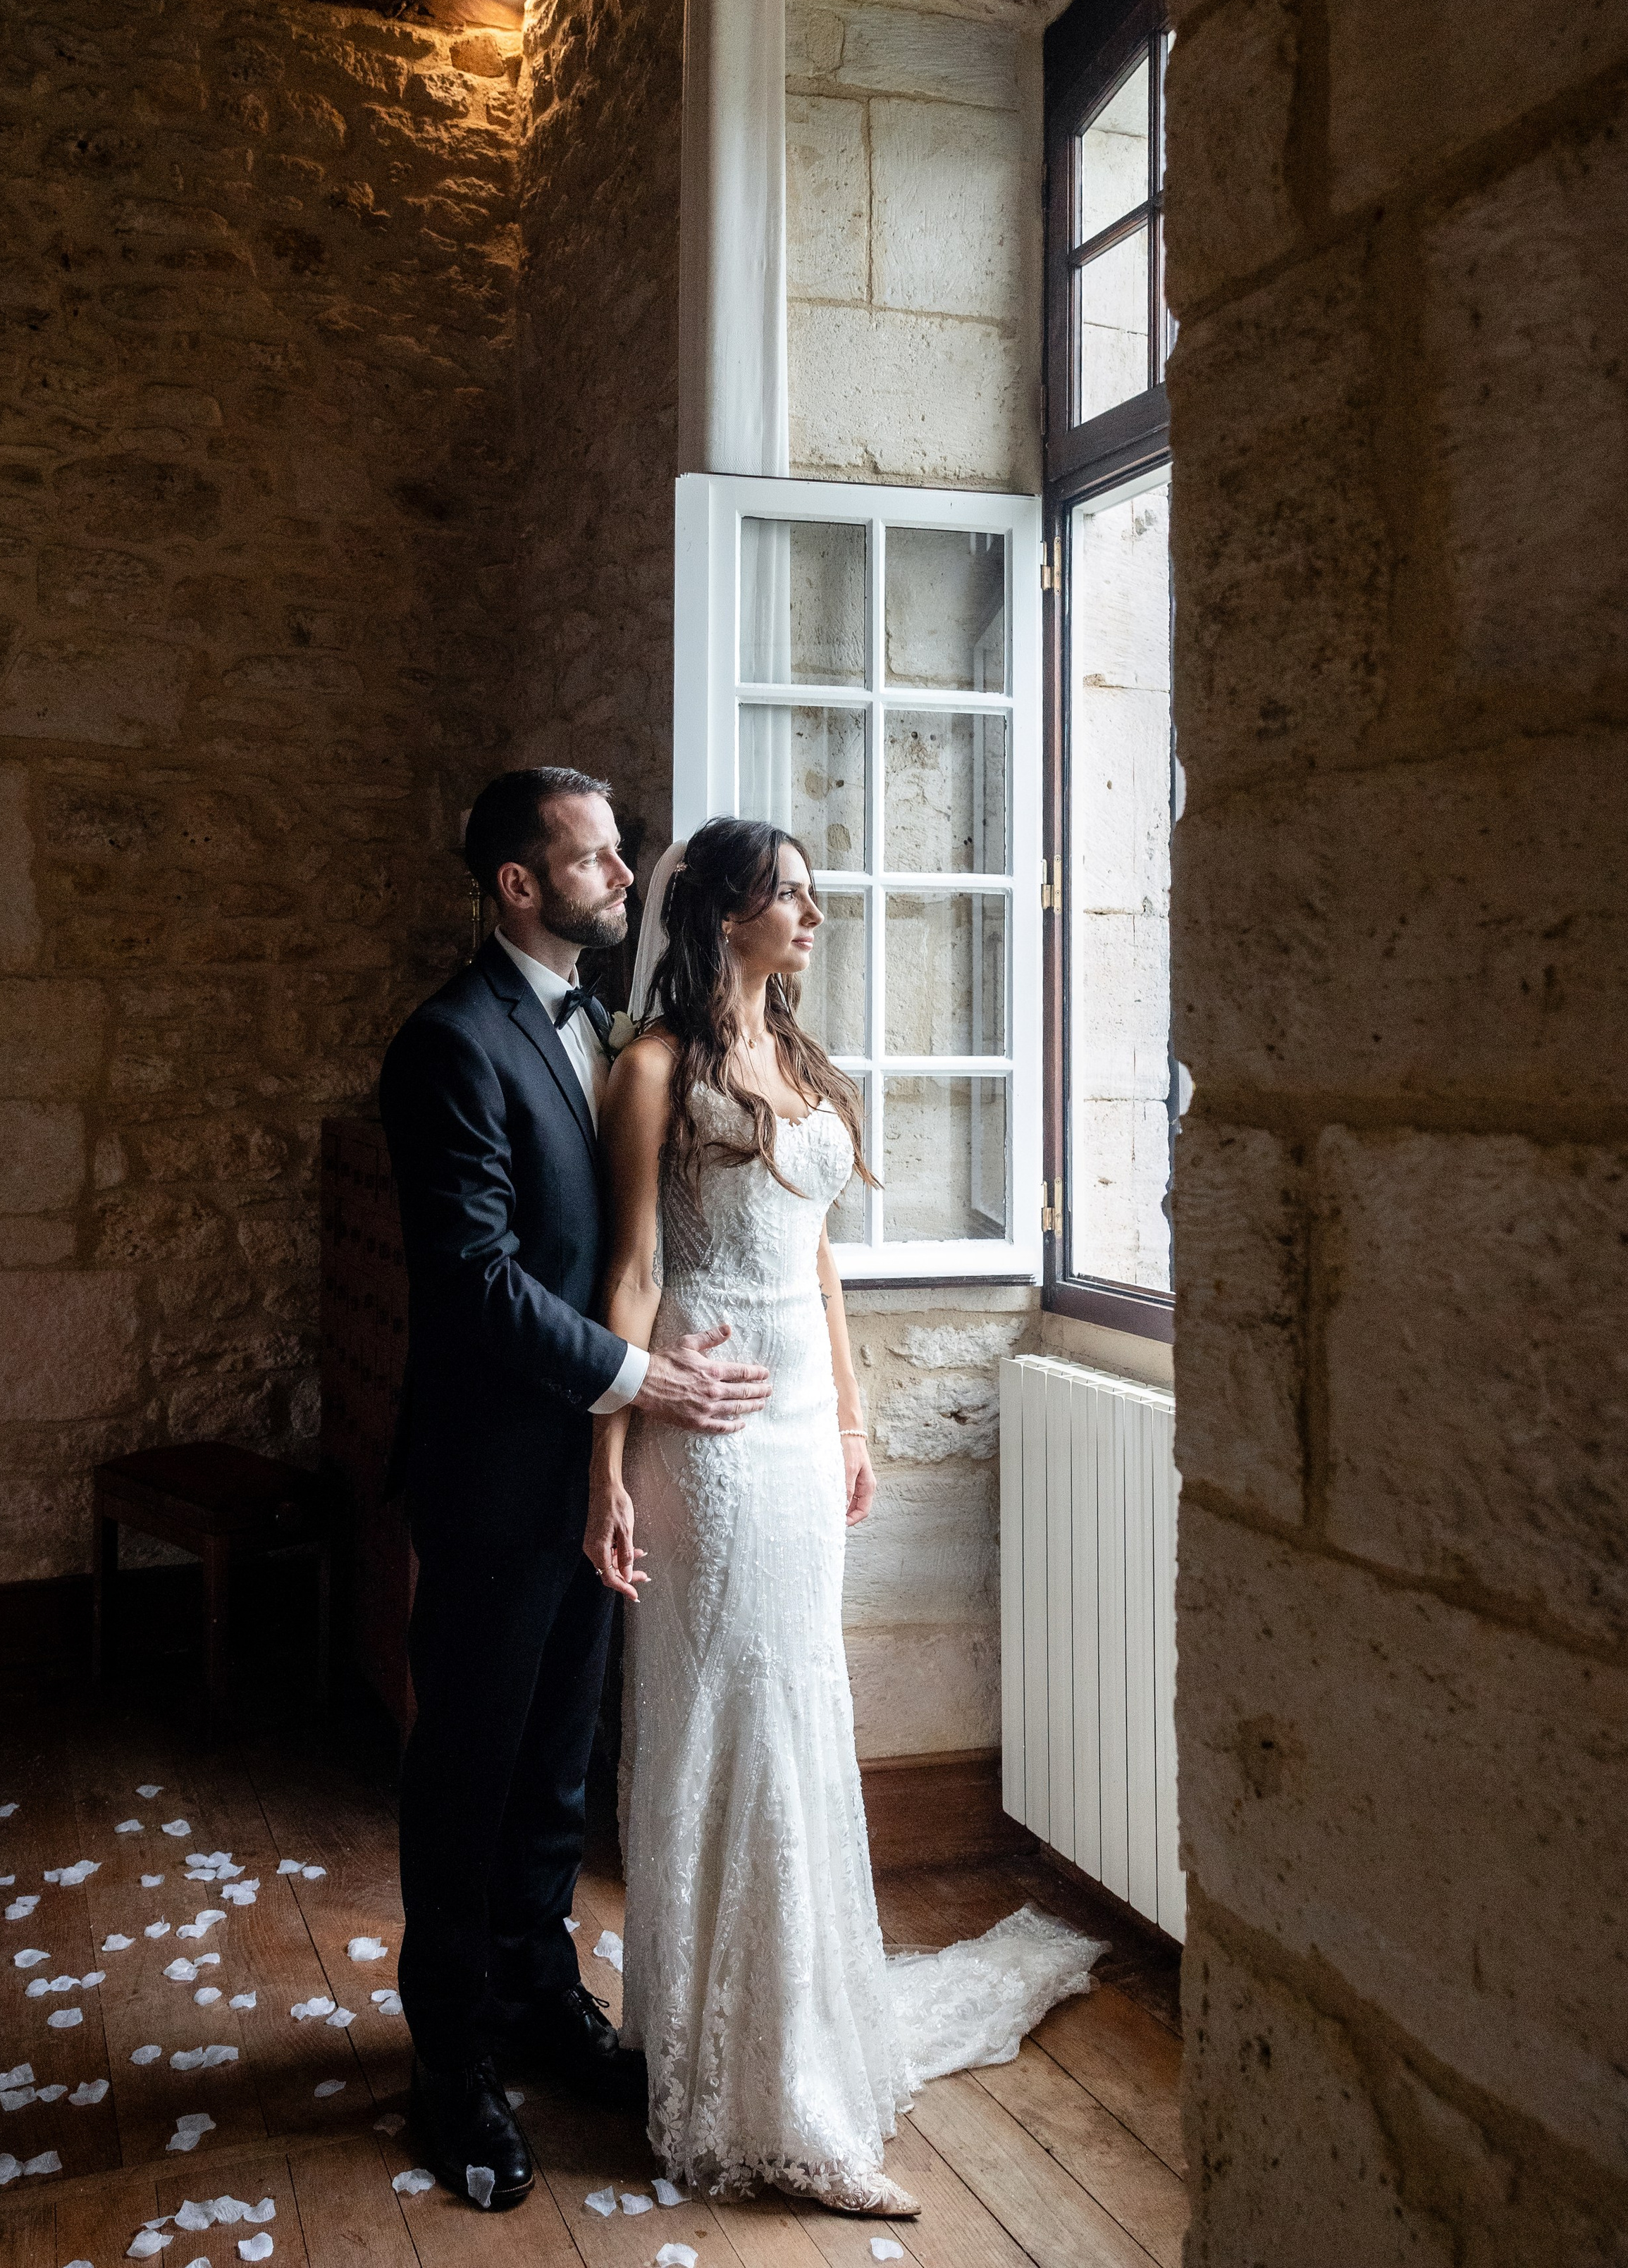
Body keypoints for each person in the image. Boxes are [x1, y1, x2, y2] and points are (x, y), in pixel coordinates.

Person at [588, 817, 1105, 2217]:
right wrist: (607, 1469)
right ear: (723, 913)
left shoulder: (801, 1067)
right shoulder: (645, 1072)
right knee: (728, 1716)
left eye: (813, 891)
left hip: (806, 1428)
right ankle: (748, 2088)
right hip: (705, 1428)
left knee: (800, 1705)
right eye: (791, 893)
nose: (815, 913)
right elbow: (626, 1277)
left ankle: (794, 2035)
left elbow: (818, 1266)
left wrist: (857, 1420)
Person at [378, 769, 773, 2214]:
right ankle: (452, 2064)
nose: (625, 871)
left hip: (593, 1475)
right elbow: (477, 1283)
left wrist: (624, 1428)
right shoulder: (444, 1046)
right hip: (489, 1479)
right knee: (468, 1772)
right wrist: (643, 1379)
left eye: (620, 853)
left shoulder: (611, 1032)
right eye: (595, 856)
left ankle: (542, 1998)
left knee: (554, 1767)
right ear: (516, 887)